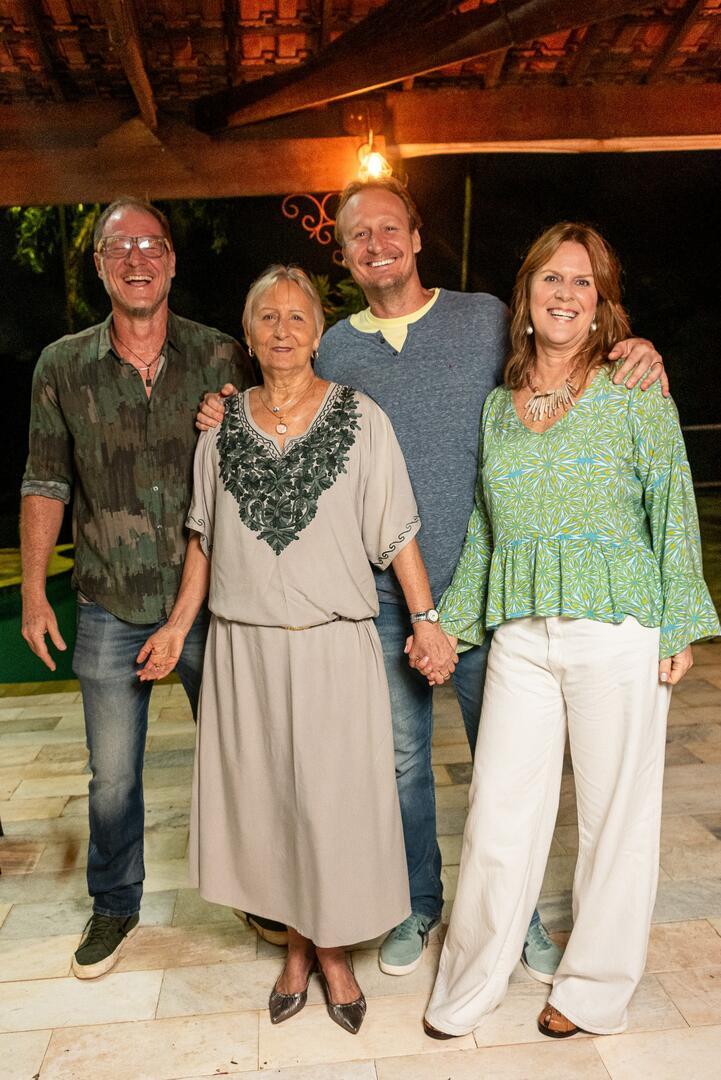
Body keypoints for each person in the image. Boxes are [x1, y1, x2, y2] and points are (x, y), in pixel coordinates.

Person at [196, 177, 667, 980]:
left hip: (486, 590)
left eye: (389, 229)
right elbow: (288, 395)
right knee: (400, 765)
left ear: (416, 238)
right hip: (382, 598)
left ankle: (514, 918)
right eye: (357, 235)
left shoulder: (481, 318)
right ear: (342, 255)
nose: (375, 245)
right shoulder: (333, 345)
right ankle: (418, 902)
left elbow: (557, 349)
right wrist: (225, 406)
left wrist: (634, 347)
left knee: (507, 768)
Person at [136, 265, 456, 1033]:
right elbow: (203, 538)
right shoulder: (219, 431)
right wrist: (178, 625)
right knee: (269, 806)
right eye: (267, 318)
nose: (282, 330)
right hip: (242, 651)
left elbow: (397, 531)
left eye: (297, 317)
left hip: (334, 647)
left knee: (332, 805)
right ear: (247, 337)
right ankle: (296, 949)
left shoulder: (361, 418)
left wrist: (425, 619)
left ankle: (333, 952)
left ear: (319, 334)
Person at [422, 222, 720, 1040]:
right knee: (496, 816)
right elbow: (484, 529)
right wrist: (446, 624)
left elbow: (671, 504)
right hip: (521, 638)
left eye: (581, 282)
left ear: (600, 303)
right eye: (550, 278)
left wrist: (678, 624)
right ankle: (470, 981)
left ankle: (591, 993)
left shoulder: (634, 389)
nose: (564, 293)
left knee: (614, 822)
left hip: (617, 630)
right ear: (525, 298)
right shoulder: (497, 408)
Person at [20, 197, 255, 979]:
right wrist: (32, 593)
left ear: (172, 262)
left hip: (211, 603)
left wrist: (237, 416)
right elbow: (45, 480)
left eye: (151, 244)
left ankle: (255, 890)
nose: (137, 258)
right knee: (113, 776)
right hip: (109, 603)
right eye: (119, 247)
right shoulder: (62, 366)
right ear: (100, 266)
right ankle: (115, 904)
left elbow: (269, 447)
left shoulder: (221, 356)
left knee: (238, 754)